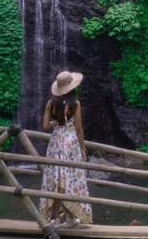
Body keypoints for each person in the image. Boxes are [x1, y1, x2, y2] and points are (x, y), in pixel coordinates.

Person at [40, 70, 92, 225]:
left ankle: (55, 218)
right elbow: (78, 128)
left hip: (56, 142)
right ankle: (70, 217)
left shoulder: (51, 103)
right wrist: (82, 147)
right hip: (70, 143)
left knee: (56, 178)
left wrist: (56, 123)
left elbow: (45, 126)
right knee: (70, 178)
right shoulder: (75, 104)